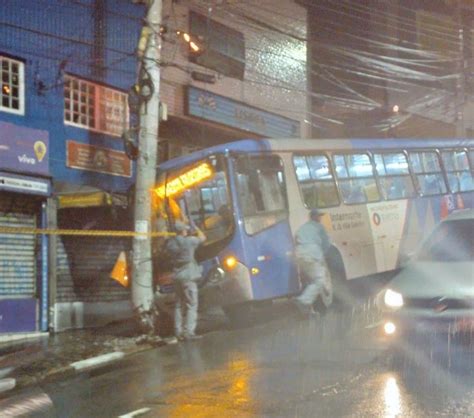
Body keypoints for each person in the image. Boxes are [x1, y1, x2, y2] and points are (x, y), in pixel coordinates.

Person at [165, 220, 206, 341]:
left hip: (176, 276)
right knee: (191, 304)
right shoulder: (190, 241)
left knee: (178, 305)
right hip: (188, 276)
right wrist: (196, 228)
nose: (187, 230)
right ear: (183, 230)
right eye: (186, 229)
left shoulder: (170, 244)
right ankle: (189, 332)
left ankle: (178, 332)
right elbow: (203, 238)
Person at [293, 208, 331, 316]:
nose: (320, 218)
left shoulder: (302, 228)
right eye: (319, 216)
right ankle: (303, 301)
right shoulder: (319, 227)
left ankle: (310, 310)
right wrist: (323, 254)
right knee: (319, 279)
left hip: (300, 256)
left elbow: (296, 240)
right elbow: (326, 244)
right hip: (312, 255)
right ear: (315, 217)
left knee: (310, 282)